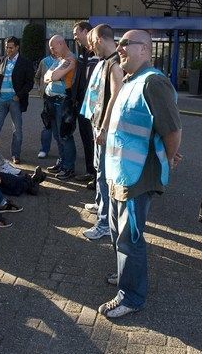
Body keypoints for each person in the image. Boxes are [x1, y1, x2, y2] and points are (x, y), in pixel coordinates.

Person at [99, 30, 182, 318]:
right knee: (116, 232)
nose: (119, 48)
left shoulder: (153, 82)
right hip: (119, 174)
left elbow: (172, 130)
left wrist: (167, 159)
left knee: (129, 238)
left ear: (145, 50)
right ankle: (126, 275)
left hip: (137, 177)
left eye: (125, 44)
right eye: (118, 43)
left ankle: (132, 296)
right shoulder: (131, 80)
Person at [81, 24, 123, 241]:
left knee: (106, 175)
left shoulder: (115, 64)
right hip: (99, 125)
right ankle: (100, 207)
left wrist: (104, 128)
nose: (90, 48)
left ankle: (105, 222)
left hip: (106, 130)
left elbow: (115, 97)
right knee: (100, 171)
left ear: (98, 39)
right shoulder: (107, 62)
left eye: (91, 43)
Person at [0, 36, 35, 164]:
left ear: (17, 47)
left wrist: (18, 95)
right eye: (6, 47)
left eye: (11, 47)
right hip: (1, 100)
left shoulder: (25, 62)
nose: (8, 50)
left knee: (17, 130)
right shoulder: (2, 60)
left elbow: (30, 83)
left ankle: (16, 154)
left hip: (15, 101)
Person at [44, 35, 78, 181]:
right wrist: (52, 75)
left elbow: (55, 76)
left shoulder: (70, 59)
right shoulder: (60, 60)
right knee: (57, 135)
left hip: (63, 102)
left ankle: (69, 167)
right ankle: (62, 162)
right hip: (52, 101)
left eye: (53, 47)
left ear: (61, 43)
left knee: (65, 135)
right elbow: (46, 76)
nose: (52, 51)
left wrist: (53, 75)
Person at [72, 21, 100, 183]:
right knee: (86, 139)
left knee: (95, 140)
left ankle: (98, 176)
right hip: (82, 103)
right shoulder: (82, 51)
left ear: (87, 32)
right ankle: (91, 172)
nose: (75, 37)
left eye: (77, 33)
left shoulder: (98, 53)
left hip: (94, 106)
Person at [35, 53, 60, 158]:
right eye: (51, 47)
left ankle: (62, 153)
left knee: (60, 126)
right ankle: (44, 149)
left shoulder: (68, 60)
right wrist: (40, 89)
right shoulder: (44, 61)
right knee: (47, 125)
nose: (53, 49)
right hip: (47, 98)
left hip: (61, 98)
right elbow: (37, 76)